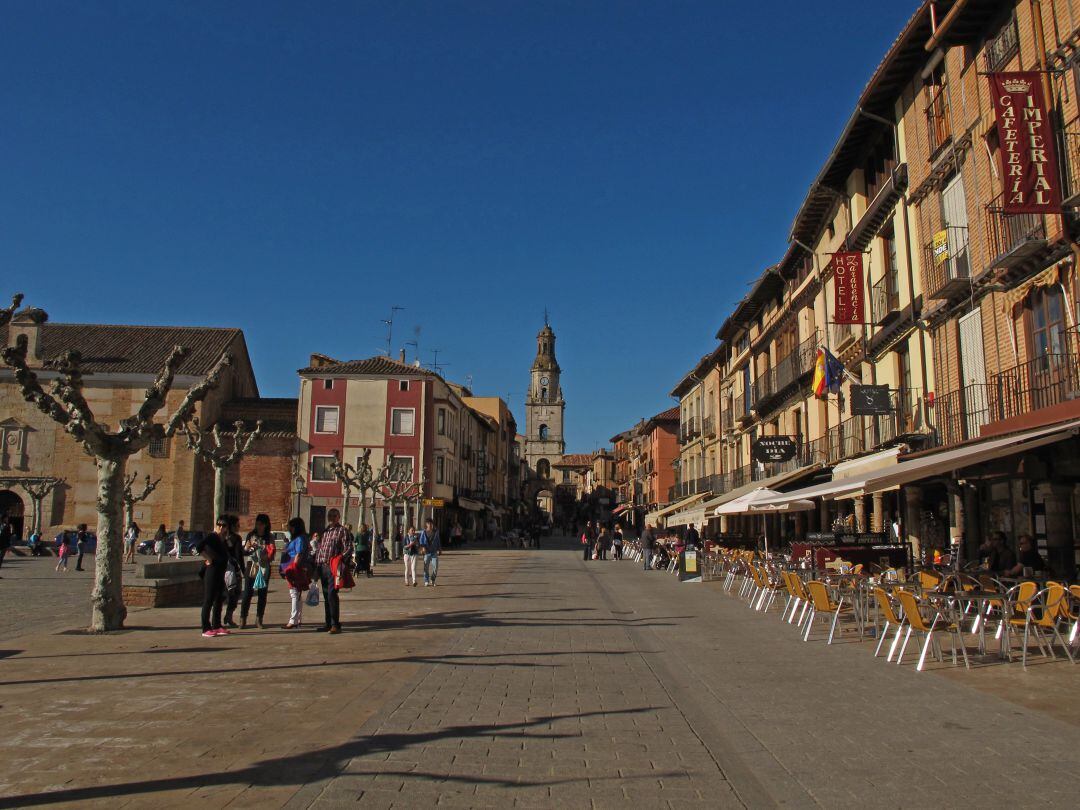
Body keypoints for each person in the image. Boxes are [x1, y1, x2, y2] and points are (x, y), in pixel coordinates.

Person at [314, 508, 352, 634]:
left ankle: (335, 624)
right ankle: (328, 623)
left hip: (333, 567)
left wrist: (340, 561)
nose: (331, 517)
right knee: (326, 595)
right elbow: (320, 548)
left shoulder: (342, 531)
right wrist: (317, 565)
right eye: (329, 515)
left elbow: (348, 548)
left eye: (334, 515)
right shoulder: (325, 531)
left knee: (331, 594)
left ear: (338, 517)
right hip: (322, 566)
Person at [196, 517, 230, 637]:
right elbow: (198, 547)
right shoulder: (212, 536)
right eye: (221, 526)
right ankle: (206, 628)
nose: (223, 529)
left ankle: (217, 625)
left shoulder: (221, 539)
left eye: (225, 527)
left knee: (218, 599)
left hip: (220, 572)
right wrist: (208, 558)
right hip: (212, 571)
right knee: (209, 599)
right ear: (218, 526)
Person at [240, 513, 276, 629]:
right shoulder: (251, 535)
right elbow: (245, 551)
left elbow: (272, 552)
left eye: (261, 524)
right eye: (257, 524)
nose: (258, 526)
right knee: (247, 593)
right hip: (252, 565)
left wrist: (266, 554)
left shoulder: (269, 537)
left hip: (264, 567)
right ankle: (243, 618)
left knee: (262, 593)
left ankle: (259, 619)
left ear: (265, 525)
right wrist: (249, 548)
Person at [280, 517, 312, 629]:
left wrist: (294, 567)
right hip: (293, 567)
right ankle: (297, 619)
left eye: (291, 527)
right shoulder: (300, 538)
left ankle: (293, 620)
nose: (289, 529)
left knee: (294, 593)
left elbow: (298, 554)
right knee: (297, 594)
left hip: (294, 568)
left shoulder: (300, 539)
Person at [222, 516, 246, 628]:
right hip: (233, 569)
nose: (239, 527)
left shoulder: (221, 537)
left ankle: (217, 619)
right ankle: (229, 616)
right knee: (235, 593)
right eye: (237, 525)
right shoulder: (236, 538)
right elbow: (238, 556)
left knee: (221, 595)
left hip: (222, 569)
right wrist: (243, 570)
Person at [420, 519, 441, 586]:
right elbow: (421, 541)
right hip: (427, 552)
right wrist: (423, 548)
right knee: (426, 567)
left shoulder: (436, 532)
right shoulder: (424, 532)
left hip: (434, 552)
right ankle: (426, 580)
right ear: (426, 524)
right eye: (429, 524)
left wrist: (439, 549)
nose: (430, 525)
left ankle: (432, 580)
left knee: (435, 567)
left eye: (431, 524)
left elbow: (438, 541)